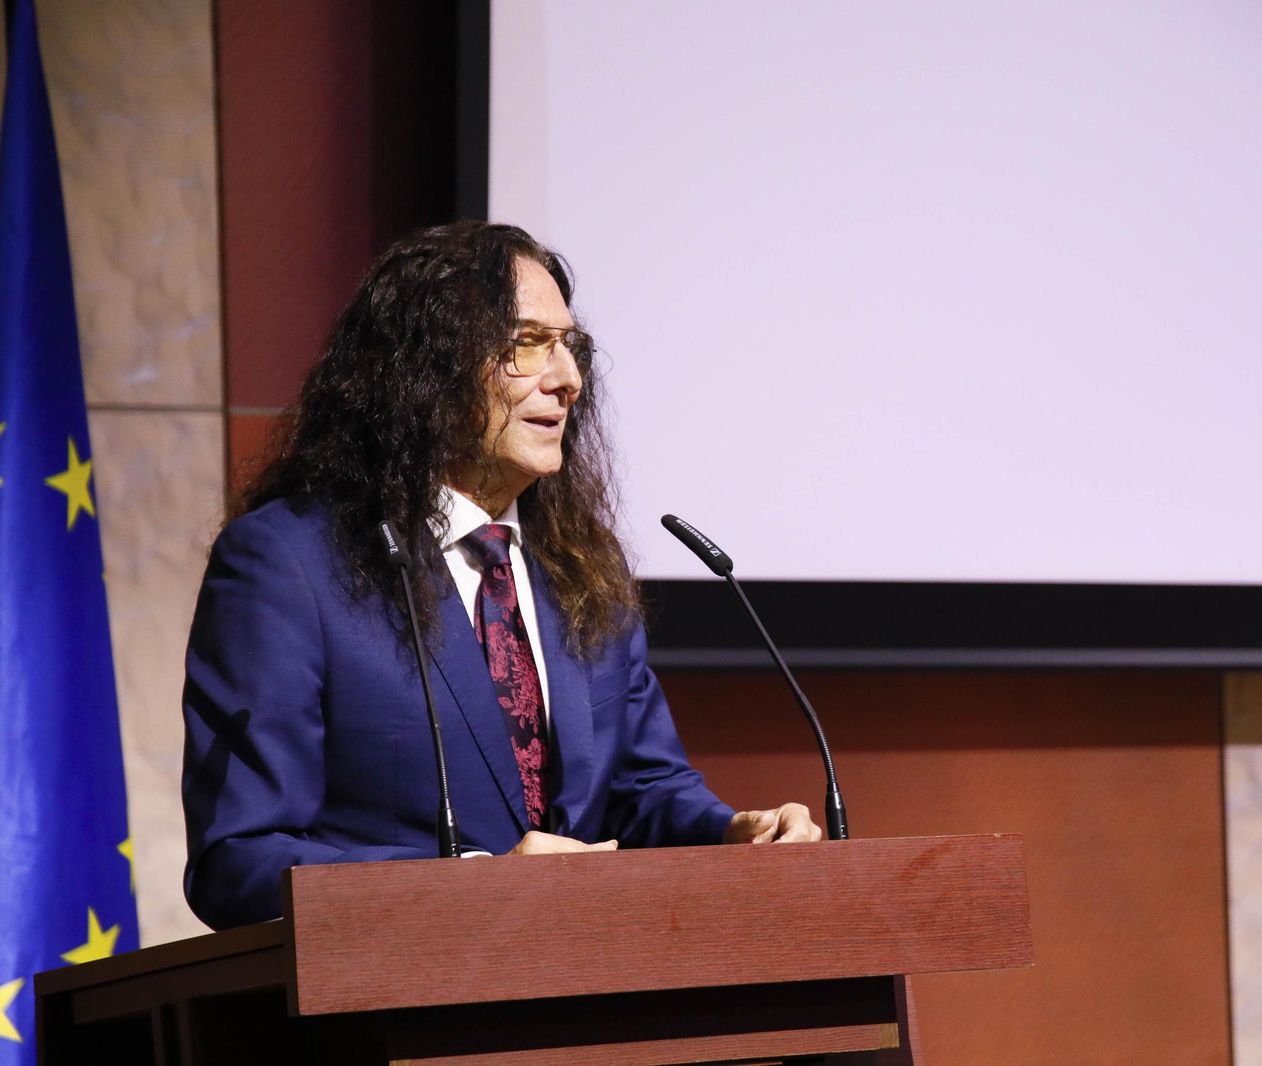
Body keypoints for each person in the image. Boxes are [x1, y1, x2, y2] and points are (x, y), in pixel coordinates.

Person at [181, 221, 819, 930]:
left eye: (569, 347)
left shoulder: (580, 563)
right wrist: (475, 886)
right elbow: (237, 859)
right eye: (527, 344)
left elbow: (641, 789)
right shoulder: (287, 564)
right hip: (399, 988)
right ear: (427, 366)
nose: (569, 379)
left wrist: (731, 832)